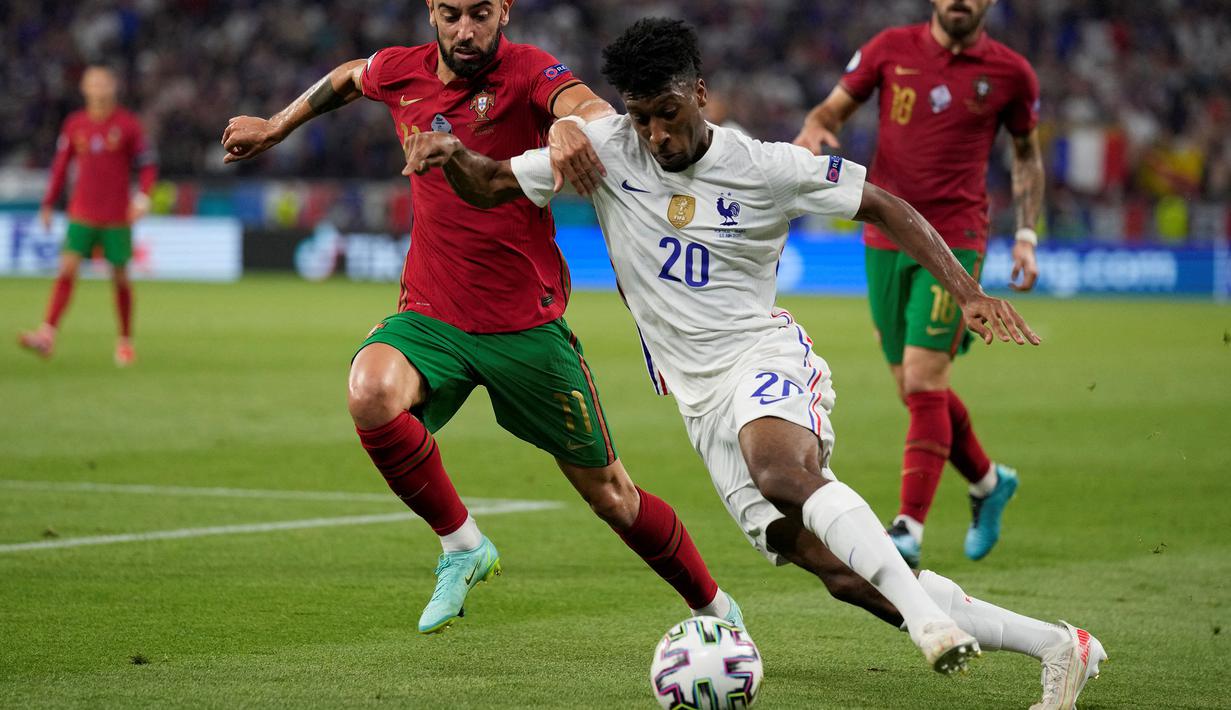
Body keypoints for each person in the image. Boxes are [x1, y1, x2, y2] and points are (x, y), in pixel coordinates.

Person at [406, 17, 1105, 705]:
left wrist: (966, 290)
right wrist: (451, 156)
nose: (655, 135)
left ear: (700, 95)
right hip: (697, 399)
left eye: (668, 114)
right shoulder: (605, 148)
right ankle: (1057, 646)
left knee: (781, 471)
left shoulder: (765, 167)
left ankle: (928, 624)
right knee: (839, 574)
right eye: (641, 117)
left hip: (761, 356)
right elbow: (493, 182)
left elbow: (885, 205)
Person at [220, 0, 741, 635]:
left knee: (613, 496)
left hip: (525, 327)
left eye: (480, 15)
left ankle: (715, 608)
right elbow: (352, 76)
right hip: (433, 314)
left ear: (505, 14)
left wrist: (568, 127)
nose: (465, 30)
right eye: (451, 14)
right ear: (431, 14)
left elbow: (589, 107)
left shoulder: (529, 71)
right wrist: (276, 127)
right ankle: (463, 546)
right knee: (371, 391)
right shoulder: (401, 71)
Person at [792, 0, 1045, 568]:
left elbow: (1027, 156)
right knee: (912, 386)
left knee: (926, 376)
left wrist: (1026, 233)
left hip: (957, 239)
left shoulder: (1011, 73)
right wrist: (813, 132)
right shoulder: (888, 50)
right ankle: (987, 481)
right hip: (885, 234)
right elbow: (829, 112)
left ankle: (906, 527)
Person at [19, 65, 157, 366]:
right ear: (84, 89)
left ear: (113, 87)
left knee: (120, 278)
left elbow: (147, 165)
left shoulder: (128, 125)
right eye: (93, 84)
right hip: (81, 212)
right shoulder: (74, 124)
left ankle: (125, 341)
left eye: (104, 83)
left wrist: (144, 197)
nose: (99, 89)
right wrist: (48, 202)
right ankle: (47, 334)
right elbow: (60, 165)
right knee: (67, 269)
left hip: (117, 216)